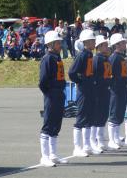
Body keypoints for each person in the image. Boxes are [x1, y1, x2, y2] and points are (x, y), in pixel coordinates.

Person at [39, 30, 67, 167]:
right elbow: (43, 81)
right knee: (48, 124)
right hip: (51, 94)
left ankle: (53, 154)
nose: (60, 45)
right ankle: (44, 156)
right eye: (58, 43)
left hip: (59, 93)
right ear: (50, 44)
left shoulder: (57, 58)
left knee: (56, 124)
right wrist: (49, 93)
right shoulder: (47, 59)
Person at [68, 29, 97, 157]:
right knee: (81, 118)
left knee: (89, 117)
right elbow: (72, 72)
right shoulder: (82, 55)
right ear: (86, 42)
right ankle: (77, 147)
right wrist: (81, 82)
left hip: (90, 89)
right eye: (93, 40)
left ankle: (86, 146)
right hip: (83, 91)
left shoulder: (90, 54)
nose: (94, 42)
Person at [91, 35, 112, 152]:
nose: (107, 47)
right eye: (105, 45)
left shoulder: (106, 59)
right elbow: (93, 76)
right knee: (97, 116)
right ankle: (93, 141)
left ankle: (100, 140)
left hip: (106, 90)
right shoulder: (97, 59)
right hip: (98, 91)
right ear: (99, 47)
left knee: (103, 116)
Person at [107, 33, 127, 149]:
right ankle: (112, 140)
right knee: (114, 114)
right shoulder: (114, 58)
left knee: (120, 114)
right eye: (123, 42)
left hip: (122, 88)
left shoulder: (121, 57)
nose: (125, 44)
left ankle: (116, 138)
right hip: (115, 89)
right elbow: (110, 74)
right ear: (117, 45)